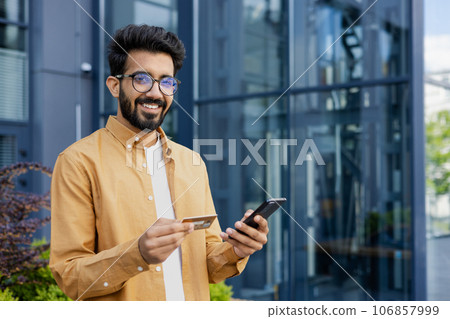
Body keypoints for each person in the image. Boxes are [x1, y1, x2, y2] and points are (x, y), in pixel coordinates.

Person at [49, 24, 269, 301]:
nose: (155, 93)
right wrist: (136, 255)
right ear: (115, 86)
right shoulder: (78, 162)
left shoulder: (192, 163)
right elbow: (71, 278)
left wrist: (237, 249)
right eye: (142, 79)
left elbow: (208, 266)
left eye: (166, 81)